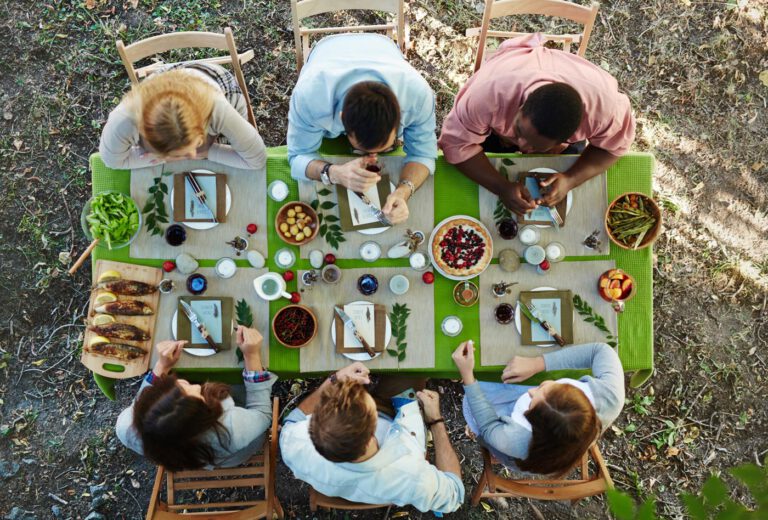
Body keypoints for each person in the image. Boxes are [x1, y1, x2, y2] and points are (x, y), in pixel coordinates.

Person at [439, 33, 636, 216]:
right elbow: (456, 145)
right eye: (518, 131)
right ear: (521, 107)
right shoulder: (486, 98)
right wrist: (500, 186)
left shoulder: (604, 113)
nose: (523, 149)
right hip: (509, 71)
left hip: (580, 87)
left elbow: (613, 149)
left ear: (572, 136)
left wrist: (571, 179)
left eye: (536, 147)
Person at [287, 33, 437, 225]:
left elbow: (423, 154)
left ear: (400, 118)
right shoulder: (309, 98)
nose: (372, 157)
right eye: (365, 148)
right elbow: (298, 156)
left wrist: (403, 190)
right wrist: (333, 173)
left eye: (382, 148)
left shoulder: (418, 96)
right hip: (327, 49)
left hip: (383, 46)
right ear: (342, 120)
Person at [279, 363, 464, 513]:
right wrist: (435, 421)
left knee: (334, 360)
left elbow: (293, 419)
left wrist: (334, 380)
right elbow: (455, 494)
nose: (363, 389)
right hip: (397, 417)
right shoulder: (412, 477)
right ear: (372, 434)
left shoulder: (295, 443)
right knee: (412, 365)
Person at [451, 341, 624, 476]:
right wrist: (537, 363)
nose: (531, 391)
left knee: (485, 427)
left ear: (536, 427)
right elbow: (600, 350)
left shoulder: (516, 441)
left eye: (531, 403)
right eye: (544, 388)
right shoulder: (611, 395)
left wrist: (467, 375)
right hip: (567, 445)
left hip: (516, 450)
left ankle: (495, 451)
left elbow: (488, 426)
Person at [115, 326, 275, 471]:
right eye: (199, 395)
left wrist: (161, 366)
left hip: (191, 457)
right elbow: (262, 414)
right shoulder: (230, 431)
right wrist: (251, 355)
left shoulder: (125, 428)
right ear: (203, 417)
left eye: (176, 387)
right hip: (235, 452)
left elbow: (147, 399)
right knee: (238, 384)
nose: (195, 385)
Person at [100, 63, 266, 170]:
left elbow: (256, 159)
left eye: (195, 148)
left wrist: (207, 153)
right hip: (164, 83)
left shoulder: (219, 109)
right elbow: (111, 161)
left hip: (217, 86)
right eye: (185, 154)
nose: (193, 156)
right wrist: (165, 159)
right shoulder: (124, 119)